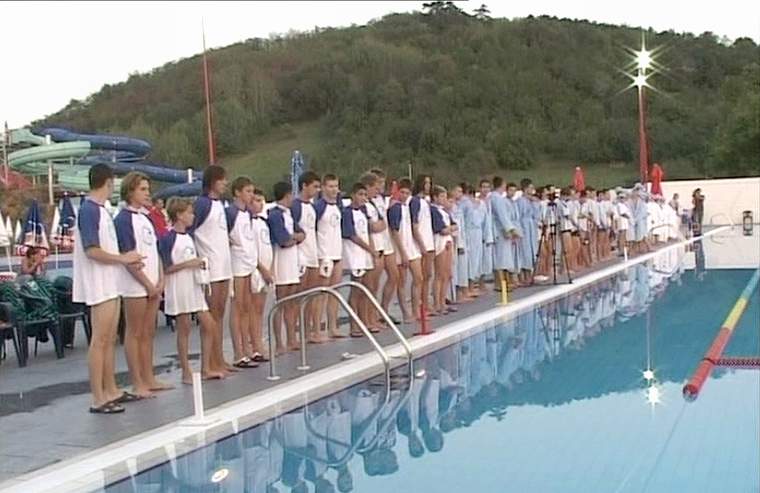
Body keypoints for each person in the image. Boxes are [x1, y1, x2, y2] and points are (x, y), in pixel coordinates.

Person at [74, 164, 143, 414]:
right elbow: (92, 250)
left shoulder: (103, 211)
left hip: (110, 281)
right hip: (98, 282)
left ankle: (111, 389)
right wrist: (123, 259)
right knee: (100, 339)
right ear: (109, 183)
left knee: (110, 339)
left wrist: (126, 259)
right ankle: (98, 397)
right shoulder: (88, 211)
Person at [115, 172, 170, 399]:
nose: (147, 193)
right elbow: (128, 256)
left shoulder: (146, 218)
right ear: (130, 191)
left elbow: (156, 251)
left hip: (153, 282)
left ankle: (149, 377)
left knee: (148, 332)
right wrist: (147, 284)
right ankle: (137, 382)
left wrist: (160, 279)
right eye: (143, 189)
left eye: (148, 189)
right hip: (135, 285)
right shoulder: (123, 219)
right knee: (135, 333)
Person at [159, 197, 224, 384]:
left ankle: (206, 367)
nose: (192, 216)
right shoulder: (168, 238)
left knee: (209, 324)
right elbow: (167, 267)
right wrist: (189, 264)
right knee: (184, 328)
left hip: (193, 285)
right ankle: (186, 371)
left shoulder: (189, 237)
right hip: (179, 285)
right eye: (189, 213)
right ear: (179, 215)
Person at [192, 165, 234, 374]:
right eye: (221, 180)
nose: (225, 183)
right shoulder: (202, 204)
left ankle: (219, 358)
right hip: (211, 267)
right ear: (212, 182)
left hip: (224, 264)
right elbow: (190, 229)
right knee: (212, 315)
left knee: (220, 314)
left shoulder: (220, 205)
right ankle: (208, 363)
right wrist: (196, 255)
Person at [268, 181, 305, 353]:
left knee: (291, 300)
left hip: (292, 260)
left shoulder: (288, 213)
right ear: (287, 195)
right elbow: (283, 240)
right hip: (281, 261)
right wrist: (294, 238)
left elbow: (301, 234)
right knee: (280, 301)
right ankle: (279, 342)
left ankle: (291, 338)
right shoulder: (275, 214)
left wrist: (294, 237)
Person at [226, 177, 259, 368]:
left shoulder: (247, 213)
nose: (251, 195)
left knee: (247, 306)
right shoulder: (231, 212)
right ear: (237, 192)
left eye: (252, 191)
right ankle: (238, 352)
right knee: (237, 306)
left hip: (248, 262)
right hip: (237, 263)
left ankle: (247, 348)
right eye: (248, 191)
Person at [341, 182, 380, 336]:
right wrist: (369, 249)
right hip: (355, 254)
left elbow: (368, 232)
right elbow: (353, 235)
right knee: (356, 289)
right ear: (353, 195)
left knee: (367, 288)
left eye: (365, 195)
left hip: (366, 255)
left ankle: (365, 320)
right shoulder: (347, 212)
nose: (363, 198)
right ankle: (354, 324)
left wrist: (373, 251)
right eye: (360, 195)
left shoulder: (364, 211)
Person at [292, 171, 322, 343]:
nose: (317, 190)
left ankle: (308, 331)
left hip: (312, 253)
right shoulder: (296, 206)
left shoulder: (312, 206)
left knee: (312, 295)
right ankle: (297, 333)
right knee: (299, 295)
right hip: (301, 255)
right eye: (314, 186)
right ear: (304, 186)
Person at [314, 174, 345, 339]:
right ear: (324, 188)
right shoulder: (319, 207)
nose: (334, 190)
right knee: (322, 294)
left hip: (336, 252)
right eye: (331, 186)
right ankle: (317, 329)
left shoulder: (338, 206)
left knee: (335, 293)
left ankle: (333, 326)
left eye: (336, 186)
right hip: (324, 254)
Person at [388, 178, 423, 323]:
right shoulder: (395, 208)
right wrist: (402, 253)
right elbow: (395, 232)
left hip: (410, 246)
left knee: (418, 278)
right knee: (402, 282)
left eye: (407, 193)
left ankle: (415, 310)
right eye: (402, 192)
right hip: (400, 247)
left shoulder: (407, 207)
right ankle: (406, 313)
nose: (404, 195)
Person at [369, 168, 400, 323]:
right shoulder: (369, 201)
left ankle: (384, 309)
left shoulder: (381, 199)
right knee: (374, 282)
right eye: (378, 183)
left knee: (394, 276)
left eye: (382, 182)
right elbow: (374, 226)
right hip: (377, 243)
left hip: (386, 241)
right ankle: (373, 313)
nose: (381, 186)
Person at [361, 172, 391, 331]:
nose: (377, 190)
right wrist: (377, 226)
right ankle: (366, 319)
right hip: (372, 248)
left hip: (380, 246)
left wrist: (378, 226)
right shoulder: (364, 206)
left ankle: (372, 317)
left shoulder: (373, 204)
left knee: (374, 286)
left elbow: (382, 224)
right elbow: (372, 227)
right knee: (368, 286)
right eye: (374, 187)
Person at [248, 188, 274, 361]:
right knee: (254, 309)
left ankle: (258, 341)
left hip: (267, 267)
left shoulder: (263, 222)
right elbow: (251, 250)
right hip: (256, 270)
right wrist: (262, 269)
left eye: (261, 200)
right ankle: (255, 344)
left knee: (260, 309)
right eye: (256, 200)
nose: (260, 204)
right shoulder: (249, 223)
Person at [411, 175, 435, 316]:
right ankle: (417, 308)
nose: (428, 186)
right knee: (419, 278)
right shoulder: (415, 202)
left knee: (428, 275)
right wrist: (421, 245)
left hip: (429, 241)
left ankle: (425, 303)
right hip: (422, 243)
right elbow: (415, 225)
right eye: (426, 183)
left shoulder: (426, 201)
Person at [491, 178, 521, 288]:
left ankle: (505, 281)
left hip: (500, 228)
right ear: (503, 185)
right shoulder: (497, 198)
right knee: (501, 257)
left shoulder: (495, 197)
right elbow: (502, 215)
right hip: (500, 230)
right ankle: (501, 283)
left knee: (505, 257)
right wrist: (510, 229)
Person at [430, 186, 456, 315]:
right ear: (435, 197)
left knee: (447, 273)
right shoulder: (434, 211)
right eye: (442, 196)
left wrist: (450, 229)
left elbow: (454, 225)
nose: (444, 199)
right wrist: (450, 229)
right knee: (439, 274)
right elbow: (442, 230)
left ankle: (443, 301)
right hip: (440, 242)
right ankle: (437, 303)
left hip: (448, 241)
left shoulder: (444, 211)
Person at [463, 185, 487, 295]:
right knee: (469, 261)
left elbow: (485, 220)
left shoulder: (481, 204)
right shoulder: (464, 204)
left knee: (477, 260)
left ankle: (474, 285)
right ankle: (469, 287)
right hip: (468, 233)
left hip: (478, 233)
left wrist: (486, 236)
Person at [516, 179, 539, 285]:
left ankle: (531, 274)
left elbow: (536, 215)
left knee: (532, 251)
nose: (532, 190)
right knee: (524, 251)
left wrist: (534, 203)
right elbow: (519, 216)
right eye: (530, 188)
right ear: (525, 189)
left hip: (531, 227)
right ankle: (524, 276)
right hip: (524, 226)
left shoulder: (531, 201)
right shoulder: (520, 201)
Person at [479, 179, 495, 286]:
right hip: (480, 232)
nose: (485, 189)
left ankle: (484, 280)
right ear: (480, 188)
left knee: (487, 258)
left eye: (487, 187)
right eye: (483, 187)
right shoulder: (477, 201)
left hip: (490, 230)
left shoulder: (491, 201)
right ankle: (480, 282)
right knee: (480, 258)